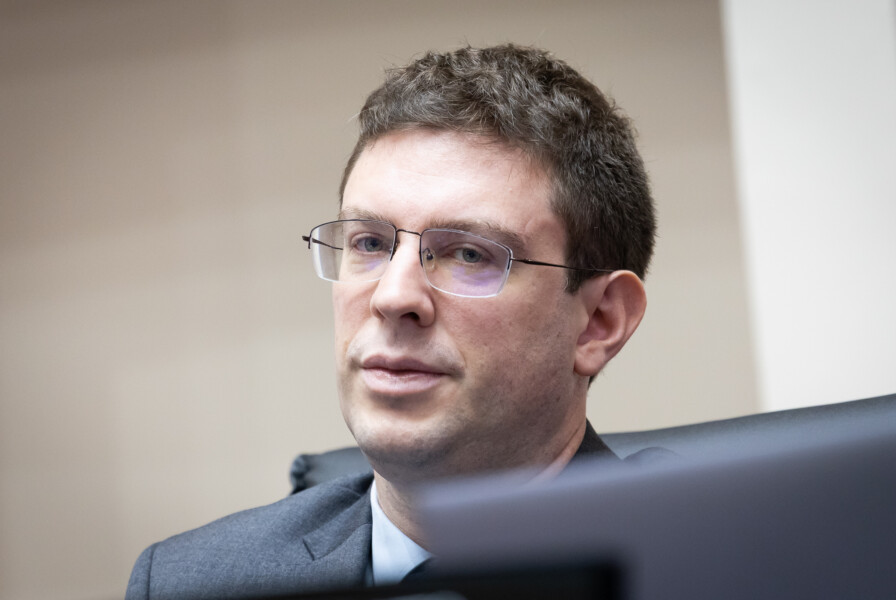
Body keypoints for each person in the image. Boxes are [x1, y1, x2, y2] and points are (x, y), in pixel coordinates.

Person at [125, 43, 655, 599]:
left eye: (469, 253)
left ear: (598, 322)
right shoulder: (189, 583)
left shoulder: (707, 566)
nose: (393, 296)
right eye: (370, 243)